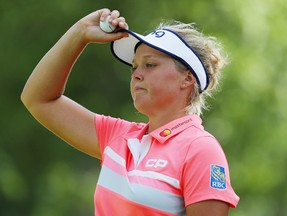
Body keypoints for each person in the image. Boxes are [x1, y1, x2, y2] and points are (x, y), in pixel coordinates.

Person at [21, 8, 239, 216]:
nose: (137, 75)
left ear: (187, 79)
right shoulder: (117, 137)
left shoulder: (201, 150)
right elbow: (38, 98)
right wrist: (80, 32)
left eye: (150, 65)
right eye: (135, 67)